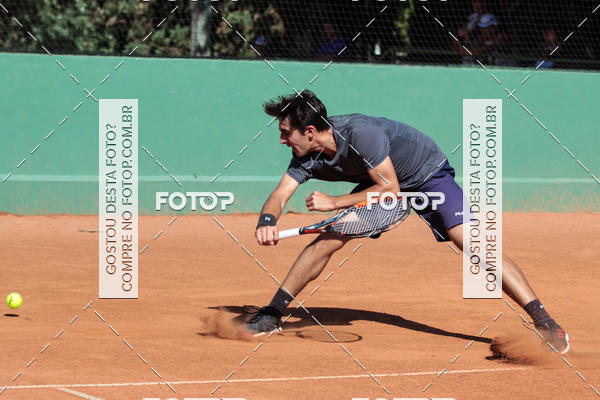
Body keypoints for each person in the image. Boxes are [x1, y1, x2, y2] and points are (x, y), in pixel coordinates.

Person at [245, 90, 570, 355]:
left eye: (285, 133)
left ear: (310, 131)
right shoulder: (305, 156)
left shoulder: (361, 133)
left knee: (472, 244)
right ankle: (272, 314)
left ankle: (547, 324)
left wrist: (335, 202)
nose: (282, 140)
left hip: (425, 173)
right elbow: (280, 194)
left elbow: (390, 189)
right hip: (380, 180)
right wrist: (267, 220)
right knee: (328, 238)